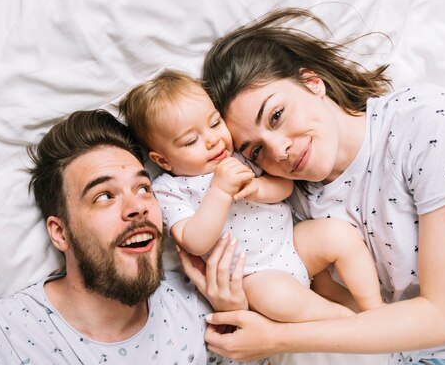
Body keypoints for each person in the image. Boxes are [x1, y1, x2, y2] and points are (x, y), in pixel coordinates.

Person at [199, 7, 445, 365]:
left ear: (312, 83)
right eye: (255, 151)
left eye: (276, 115)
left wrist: (278, 339)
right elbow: (352, 313)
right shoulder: (303, 202)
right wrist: (235, 301)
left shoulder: (430, 123)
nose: (279, 151)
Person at [0, 109, 290, 365]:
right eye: (104, 196)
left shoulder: (197, 314)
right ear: (60, 232)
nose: (138, 207)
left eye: (144, 189)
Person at [118, 69, 383, 324]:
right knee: (277, 298)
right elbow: (194, 242)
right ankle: (343, 320)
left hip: (292, 241)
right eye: (191, 141)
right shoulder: (170, 189)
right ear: (162, 160)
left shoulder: (237, 156)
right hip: (255, 273)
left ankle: (375, 310)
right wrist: (220, 192)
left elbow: (284, 187)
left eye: (214, 123)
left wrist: (258, 189)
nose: (213, 140)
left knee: (338, 235)